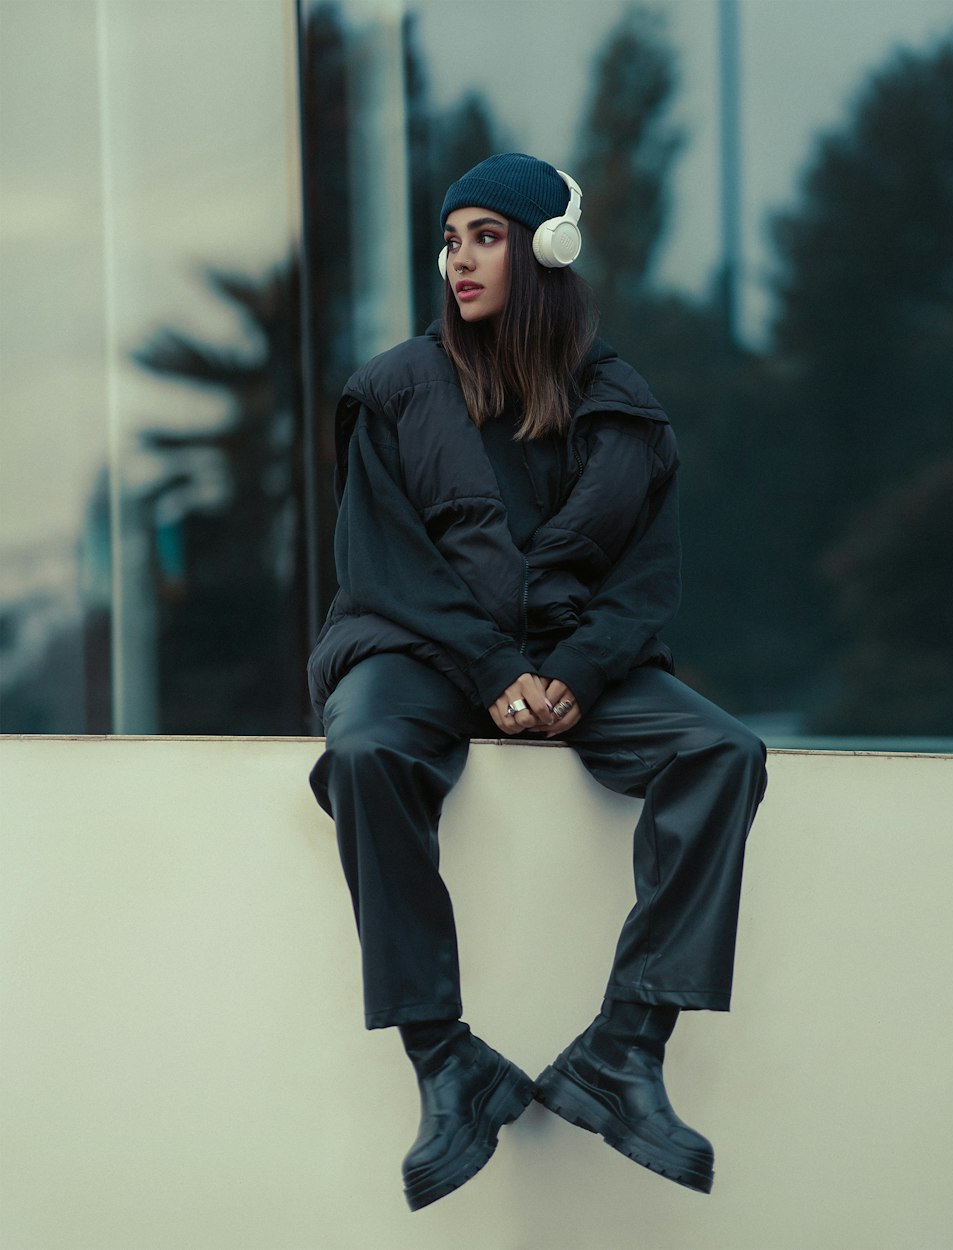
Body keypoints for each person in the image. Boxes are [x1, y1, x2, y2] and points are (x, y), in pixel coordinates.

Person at [308, 152, 767, 1212]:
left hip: (574, 666)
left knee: (721, 753)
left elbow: (644, 583)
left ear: (544, 248)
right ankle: (445, 1061)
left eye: (485, 235)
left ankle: (624, 1047)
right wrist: (495, 670)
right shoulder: (392, 391)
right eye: (448, 237)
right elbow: (385, 566)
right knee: (368, 748)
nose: (456, 259)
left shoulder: (626, 411)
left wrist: (569, 673)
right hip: (416, 647)